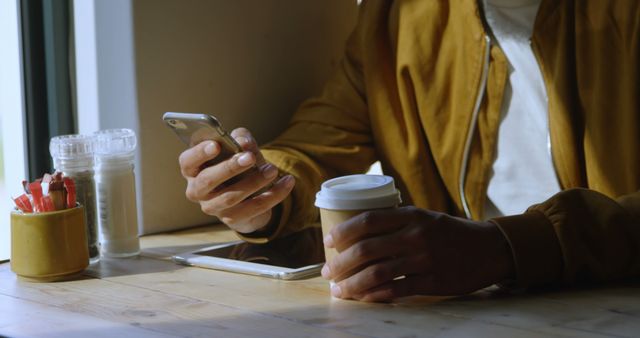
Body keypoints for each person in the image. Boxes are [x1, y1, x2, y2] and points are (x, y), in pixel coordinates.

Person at [178, 0, 640, 302]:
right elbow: (322, 141)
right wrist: (259, 191)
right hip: (474, 310)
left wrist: (506, 247)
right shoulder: (399, 15)